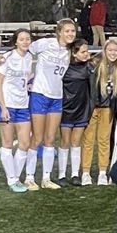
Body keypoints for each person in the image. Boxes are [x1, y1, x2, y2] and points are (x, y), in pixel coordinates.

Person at [22, 18, 76, 190]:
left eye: (73, 31)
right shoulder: (45, 43)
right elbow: (24, 50)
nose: (70, 34)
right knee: (36, 138)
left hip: (57, 97)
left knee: (50, 139)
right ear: (59, 31)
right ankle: (29, 177)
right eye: (67, 31)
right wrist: (25, 71)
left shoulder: (70, 50)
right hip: (40, 94)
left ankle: (46, 178)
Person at [0, 28, 34, 193]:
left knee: (24, 143)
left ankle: (16, 177)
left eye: (27, 39)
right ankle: (12, 180)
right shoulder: (7, 57)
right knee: (8, 144)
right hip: (7, 105)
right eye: (22, 39)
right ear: (16, 41)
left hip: (23, 105)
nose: (25, 42)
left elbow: (26, 77)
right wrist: (3, 107)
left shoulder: (30, 56)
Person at [81, 38, 117, 186]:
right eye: (110, 50)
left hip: (108, 108)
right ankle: (85, 172)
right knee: (88, 140)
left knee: (104, 140)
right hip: (92, 107)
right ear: (104, 51)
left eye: (115, 50)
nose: (113, 53)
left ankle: (102, 172)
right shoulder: (94, 64)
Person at [58, 39, 93, 186]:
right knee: (65, 141)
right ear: (74, 53)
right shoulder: (64, 66)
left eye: (87, 51)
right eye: (83, 52)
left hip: (81, 109)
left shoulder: (89, 67)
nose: (86, 54)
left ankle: (74, 174)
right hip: (66, 108)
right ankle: (61, 175)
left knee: (76, 142)